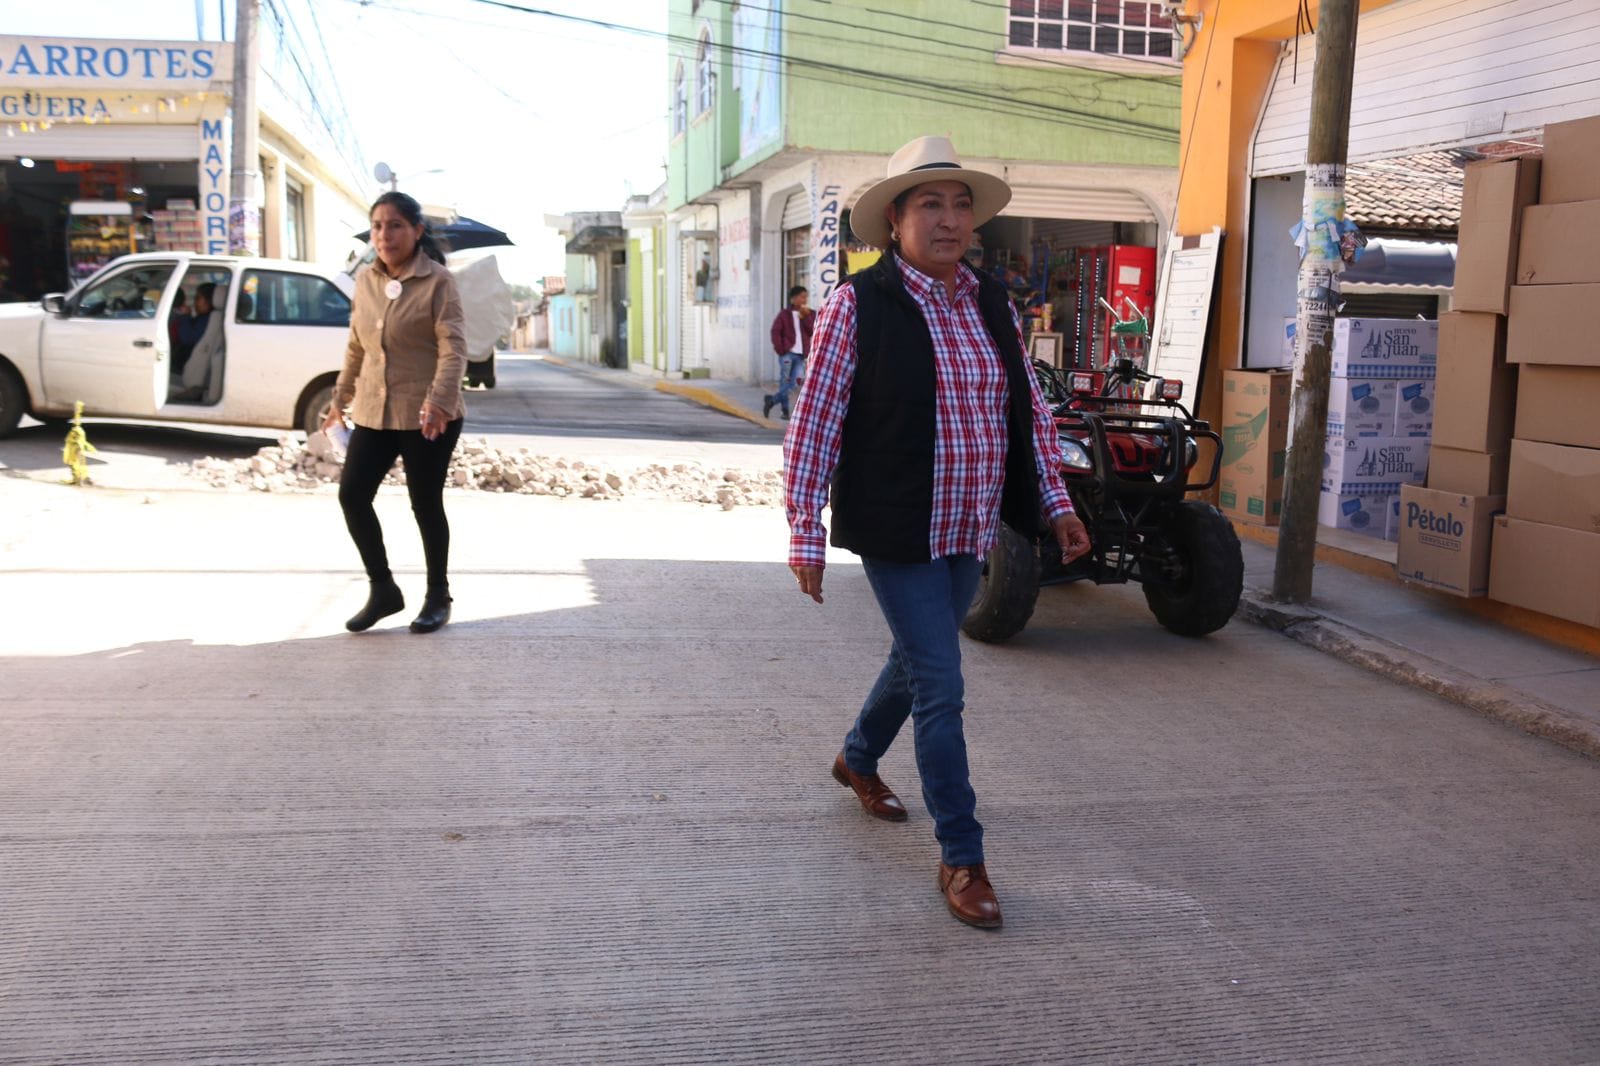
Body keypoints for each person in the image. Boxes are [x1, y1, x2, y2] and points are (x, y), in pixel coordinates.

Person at [783, 136, 1092, 930]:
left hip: (970, 523)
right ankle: (963, 856)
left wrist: (1055, 501)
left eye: (961, 205)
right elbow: (815, 420)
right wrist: (804, 529)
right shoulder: (861, 303)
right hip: (897, 525)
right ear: (895, 219)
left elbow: (1025, 411)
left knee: (917, 661)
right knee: (942, 687)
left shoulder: (993, 301)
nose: (950, 220)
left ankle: (856, 758)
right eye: (931, 204)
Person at [323, 191, 467, 635]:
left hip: (428, 414)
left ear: (417, 231)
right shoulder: (366, 281)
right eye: (378, 226)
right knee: (352, 495)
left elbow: (453, 346)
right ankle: (383, 589)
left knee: (425, 503)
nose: (384, 234)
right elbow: (355, 347)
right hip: (373, 409)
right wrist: (337, 403)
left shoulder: (438, 281)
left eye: (395, 225)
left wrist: (440, 399)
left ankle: (437, 596)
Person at [763, 285, 813, 420]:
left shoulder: (808, 313)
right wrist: (781, 349)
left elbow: (812, 331)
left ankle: (772, 400)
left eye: (806, 297)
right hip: (787, 354)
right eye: (802, 297)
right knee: (785, 383)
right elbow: (775, 331)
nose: (805, 300)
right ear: (794, 298)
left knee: (796, 382)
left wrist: (806, 317)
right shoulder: (784, 314)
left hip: (801, 355)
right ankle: (785, 412)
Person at [170, 283, 223, 403]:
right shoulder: (210, 318)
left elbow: (187, 337)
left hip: (184, 372)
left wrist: (185, 316)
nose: (194, 302)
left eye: (198, 298)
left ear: (209, 301)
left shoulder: (207, 320)